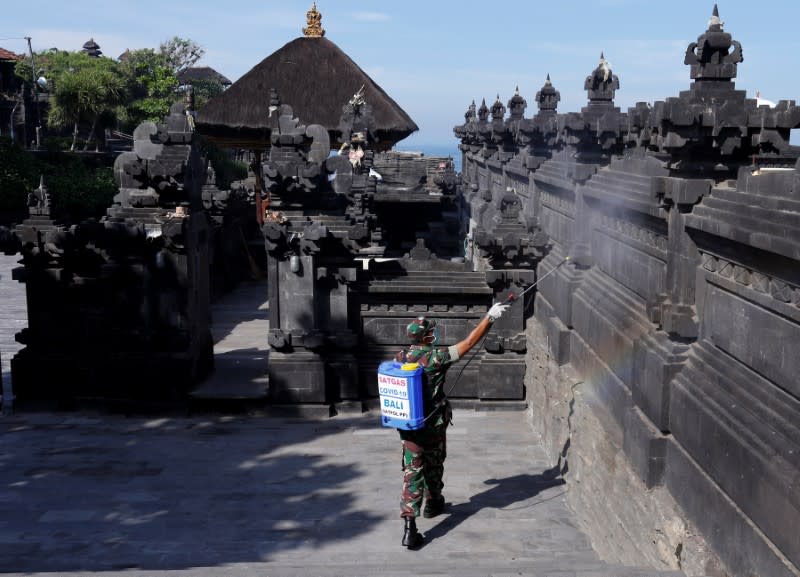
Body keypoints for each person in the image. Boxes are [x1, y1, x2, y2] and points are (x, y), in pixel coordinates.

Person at [394, 301, 510, 549]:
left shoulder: (401, 357)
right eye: (431, 332)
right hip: (433, 424)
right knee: (434, 463)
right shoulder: (437, 357)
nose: (434, 335)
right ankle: (433, 502)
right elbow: (468, 344)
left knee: (412, 472)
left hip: (408, 426)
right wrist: (489, 317)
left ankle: (409, 528)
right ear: (426, 336)